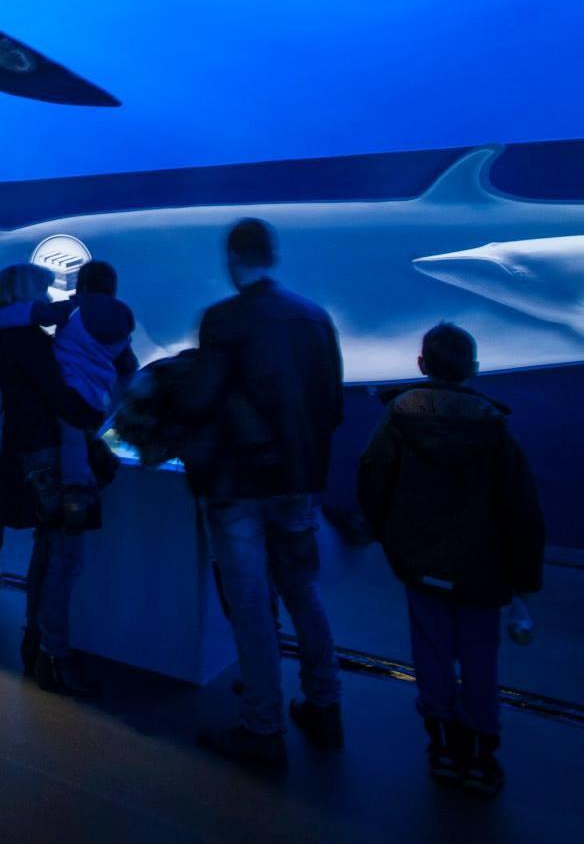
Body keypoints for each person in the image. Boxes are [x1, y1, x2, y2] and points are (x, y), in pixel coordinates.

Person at [182, 218, 346, 772]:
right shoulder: (315, 317)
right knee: (304, 592)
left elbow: (201, 402)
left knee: (251, 605)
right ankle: (325, 705)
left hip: (239, 488)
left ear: (233, 258)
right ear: (272, 255)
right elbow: (333, 408)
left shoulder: (224, 319)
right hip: (298, 484)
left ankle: (262, 725)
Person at [356, 323, 545, 795]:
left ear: (422, 365)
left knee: (431, 653)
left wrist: (391, 541)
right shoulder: (495, 429)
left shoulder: (399, 419)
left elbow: (372, 482)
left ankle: (441, 745)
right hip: (482, 570)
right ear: (474, 369)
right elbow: (521, 508)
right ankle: (482, 755)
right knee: (480, 658)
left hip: (420, 565)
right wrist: (523, 578)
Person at [0, 263, 124, 695]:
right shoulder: (28, 342)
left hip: (31, 453)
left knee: (48, 549)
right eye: (42, 291)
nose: (49, 298)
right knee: (64, 556)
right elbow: (61, 397)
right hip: (49, 457)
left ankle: (36, 641)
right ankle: (53, 654)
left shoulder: (7, 336)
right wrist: (93, 415)